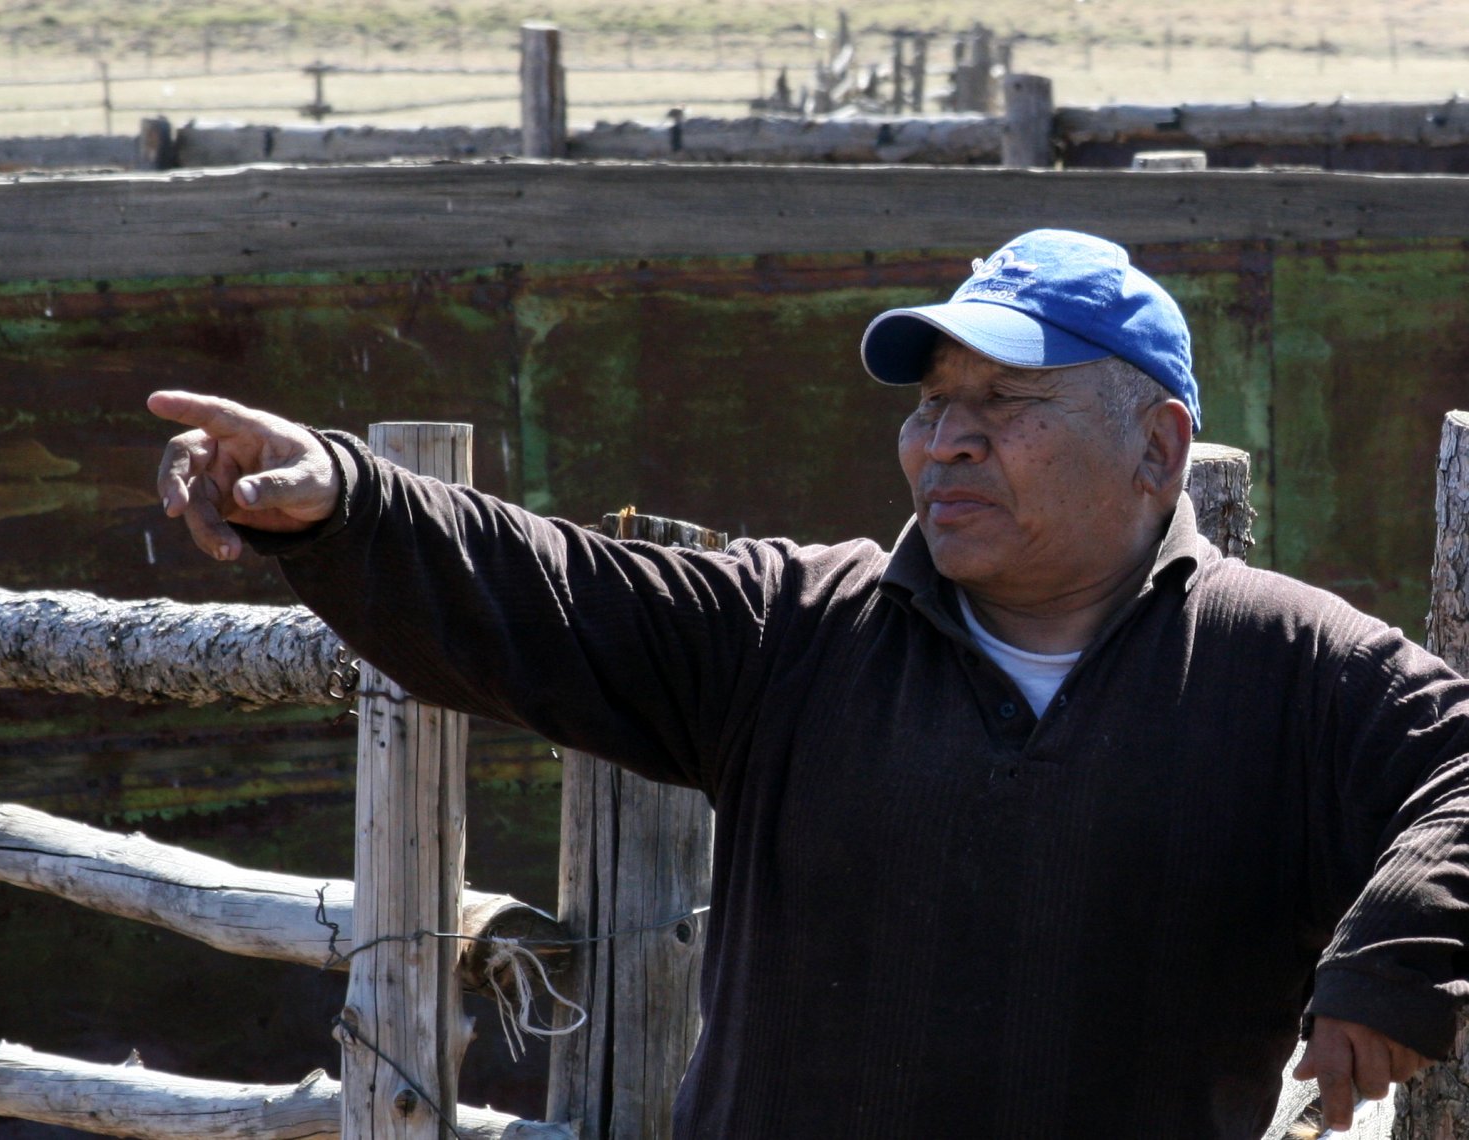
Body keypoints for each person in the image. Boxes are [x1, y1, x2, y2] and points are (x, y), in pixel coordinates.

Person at [151, 228, 1469, 1139]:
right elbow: (548, 592)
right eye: (932, 404)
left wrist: (1398, 950)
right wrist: (345, 501)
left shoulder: (1287, 669)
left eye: (1004, 401)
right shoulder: (800, 630)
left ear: (1159, 448)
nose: (945, 442)